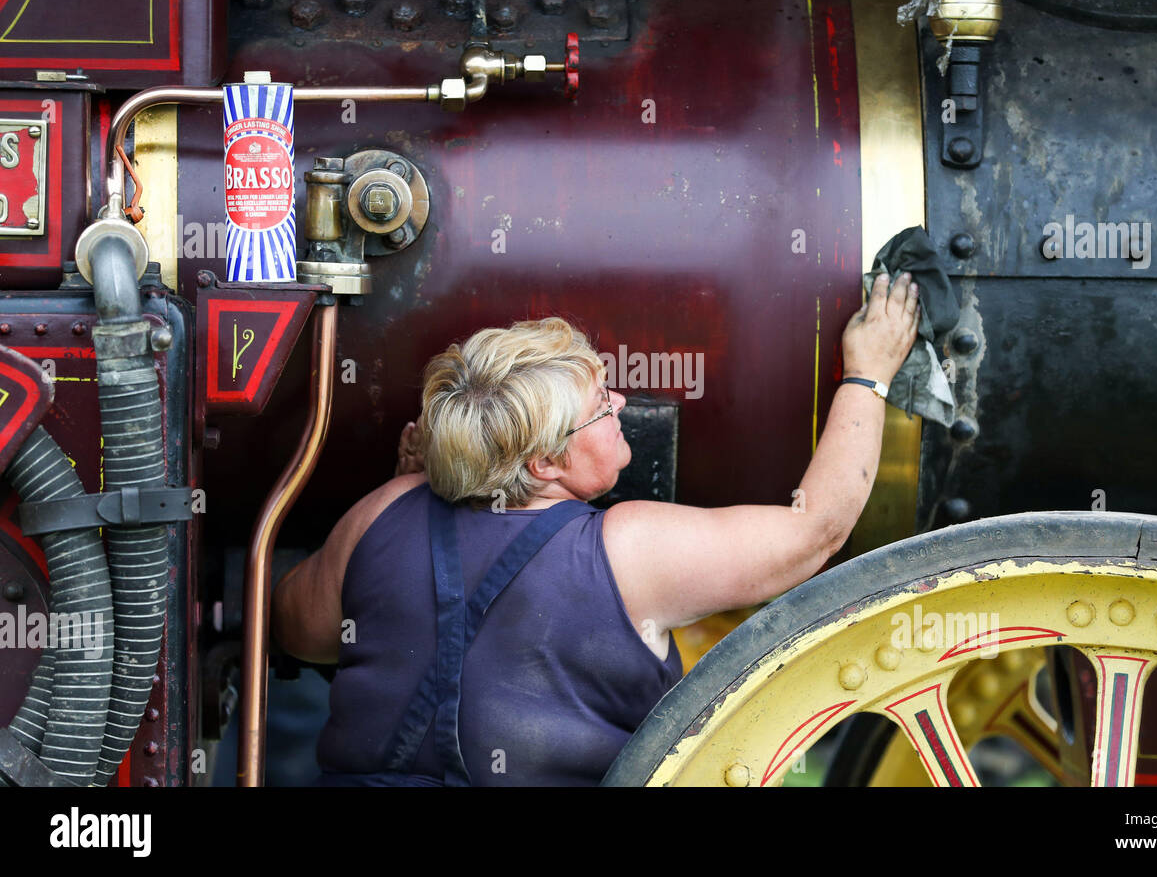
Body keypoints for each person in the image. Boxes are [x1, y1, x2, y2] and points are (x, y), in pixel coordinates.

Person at [271, 270, 920, 785]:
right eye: (599, 404)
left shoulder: (378, 515)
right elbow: (816, 532)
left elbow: (298, 630)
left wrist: (403, 492)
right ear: (546, 461)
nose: (620, 403)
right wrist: (868, 372)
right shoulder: (627, 548)